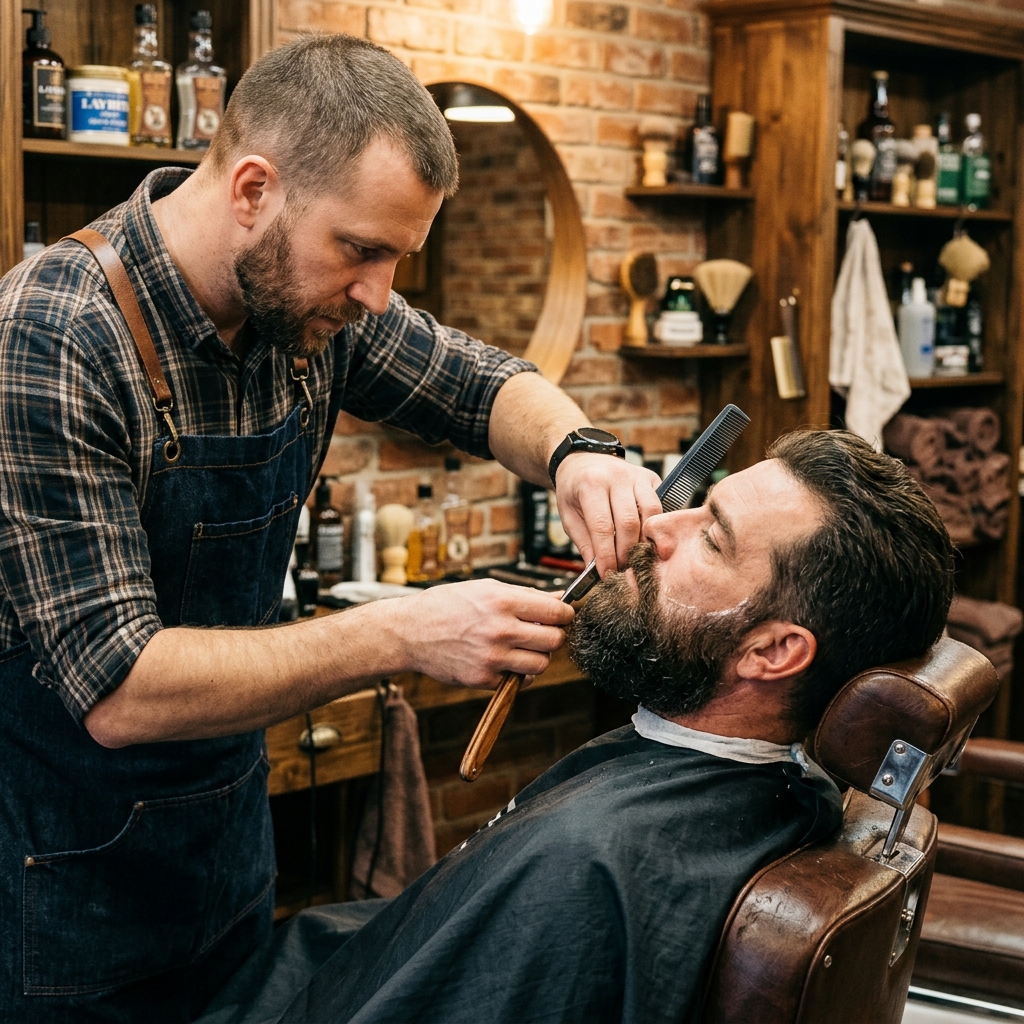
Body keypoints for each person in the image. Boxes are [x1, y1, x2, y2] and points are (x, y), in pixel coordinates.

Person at [0, 35, 661, 1023]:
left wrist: (580, 450)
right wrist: (403, 631)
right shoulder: (53, 337)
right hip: (63, 899)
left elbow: (478, 383)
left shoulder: (307, 314)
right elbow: (118, 686)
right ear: (256, 189)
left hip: (222, 858)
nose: (377, 292)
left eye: (396, 256)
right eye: (361, 248)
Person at [199, 428, 955, 1024]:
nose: (658, 525)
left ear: (773, 650)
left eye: (712, 536)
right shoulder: (775, 796)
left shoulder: (589, 862)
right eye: (698, 499)